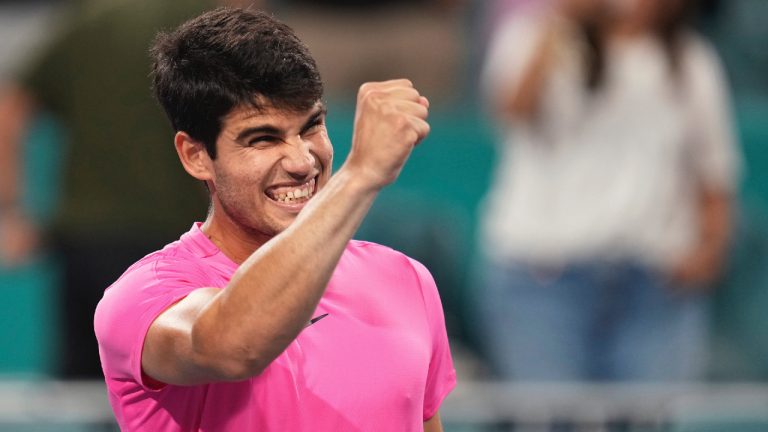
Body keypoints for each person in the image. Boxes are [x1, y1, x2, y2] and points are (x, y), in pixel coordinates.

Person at [93, 7, 456, 431]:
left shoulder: (406, 279)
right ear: (196, 156)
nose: (303, 162)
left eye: (311, 127)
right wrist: (359, 176)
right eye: (263, 138)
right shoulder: (144, 297)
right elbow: (232, 348)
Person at [476, 0, 741, 381]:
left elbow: (714, 172)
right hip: (543, 282)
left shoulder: (691, 61)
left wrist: (708, 253)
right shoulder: (532, 38)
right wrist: (561, 23)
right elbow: (511, 108)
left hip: (653, 289)